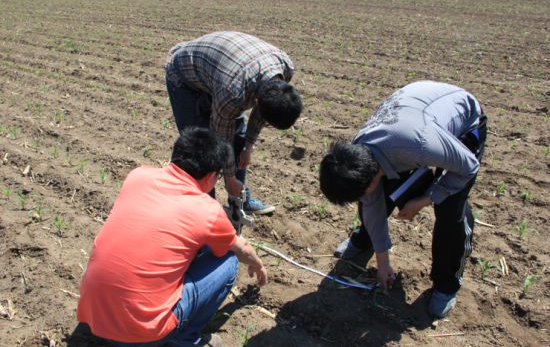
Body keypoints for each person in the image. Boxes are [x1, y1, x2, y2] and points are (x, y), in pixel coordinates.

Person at [77, 127, 268, 347]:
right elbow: (241, 247)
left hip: (94, 319)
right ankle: (184, 338)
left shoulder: (138, 175)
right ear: (210, 177)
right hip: (142, 336)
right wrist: (257, 263)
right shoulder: (207, 209)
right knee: (229, 261)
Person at [319, 81, 487, 318]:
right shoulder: (358, 153)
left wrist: (423, 200)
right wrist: (383, 262)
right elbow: (372, 203)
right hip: (414, 119)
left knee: (450, 207)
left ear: (372, 179)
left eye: (365, 189)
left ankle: (446, 285)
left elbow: (469, 167)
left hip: (461, 120)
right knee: (372, 200)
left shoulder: (421, 145)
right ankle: (364, 240)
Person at [165, 31, 302, 215]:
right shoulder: (233, 93)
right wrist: (230, 180)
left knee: (238, 137)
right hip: (185, 77)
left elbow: (258, 116)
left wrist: (247, 148)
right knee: (201, 149)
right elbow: (220, 139)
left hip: (221, 71)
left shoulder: (285, 68)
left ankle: (240, 201)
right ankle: (206, 211)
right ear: (256, 102)